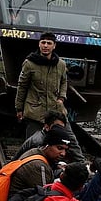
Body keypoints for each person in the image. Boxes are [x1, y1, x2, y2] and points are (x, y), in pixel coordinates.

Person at [15, 32, 84, 161]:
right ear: (39, 44)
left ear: (54, 46)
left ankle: (82, 166)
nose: (45, 46)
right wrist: (19, 108)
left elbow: (64, 81)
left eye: (49, 43)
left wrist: (62, 98)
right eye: (43, 43)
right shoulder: (29, 63)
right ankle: (23, 164)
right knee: (32, 144)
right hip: (35, 111)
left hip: (56, 111)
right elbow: (22, 86)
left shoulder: (61, 64)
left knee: (71, 140)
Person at [9, 127, 71, 197]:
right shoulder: (39, 166)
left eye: (65, 150)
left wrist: (56, 166)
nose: (63, 153)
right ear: (47, 145)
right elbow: (45, 198)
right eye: (59, 148)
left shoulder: (35, 151)